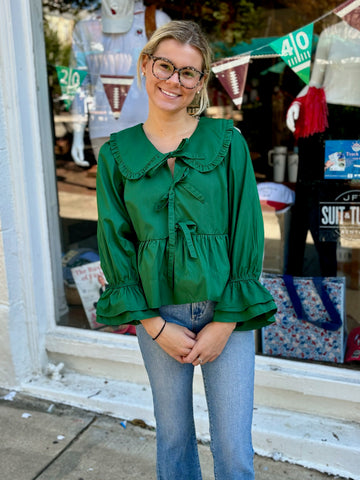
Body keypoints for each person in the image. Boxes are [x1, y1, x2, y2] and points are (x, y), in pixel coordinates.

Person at [96, 20, 277, 480]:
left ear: (201, 82)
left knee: (234, 445)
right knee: (173, 437)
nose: (173, 80)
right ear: (145, 66)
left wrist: (226, 322)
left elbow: (246, 232)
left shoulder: (227, 142)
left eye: (188, 72)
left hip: (227, 310)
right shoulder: (116, 154)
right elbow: (116, 244)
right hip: (159, 315)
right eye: (165, 66)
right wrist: (155, 326)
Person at [285, 21, 360, 276]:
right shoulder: (331, 34)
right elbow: (316, 81)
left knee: (330, 203)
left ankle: (328, 278)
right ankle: (292, 277)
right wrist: (297, 102)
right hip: (321, 118)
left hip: (350, 124)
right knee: (305, 198)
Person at [70, 0, 171, 167]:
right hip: (103, 130)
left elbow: (173, 76)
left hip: (153, 129)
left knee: (153, 191)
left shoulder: (157, 21)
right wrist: (78, 132)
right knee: (112, 192)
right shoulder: (85, 27)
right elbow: (79, 83)